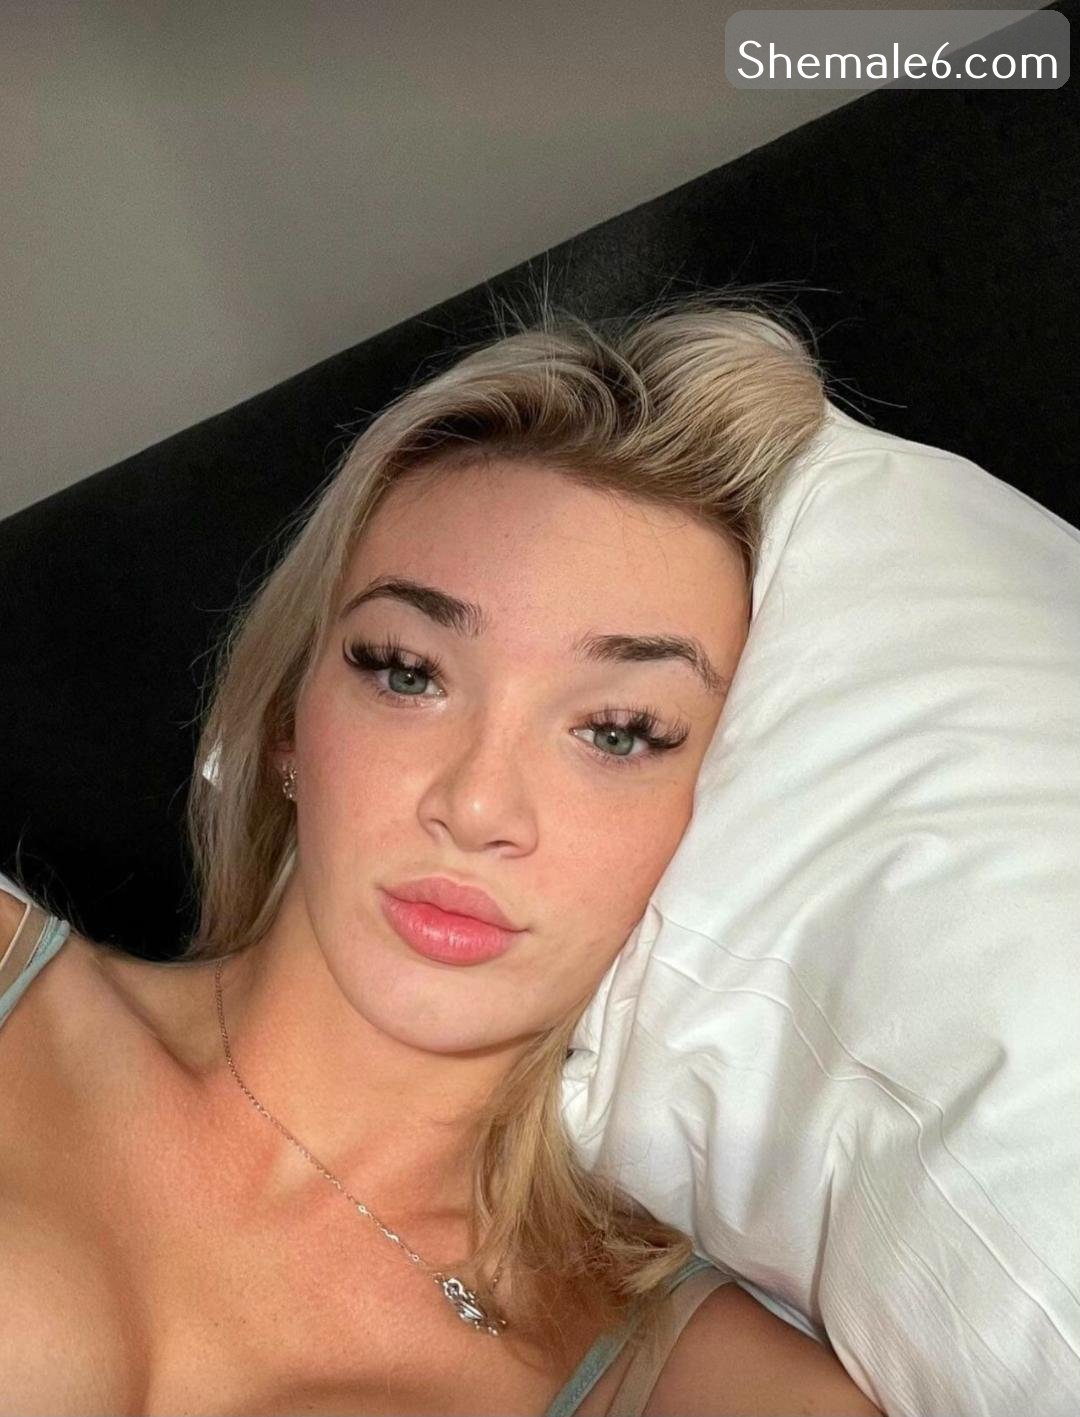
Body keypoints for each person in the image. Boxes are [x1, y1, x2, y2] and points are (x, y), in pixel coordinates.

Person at [0, 287, 883, 1415]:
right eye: (407, 672)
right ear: (289, 722)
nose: (474, 805)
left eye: (617, 732)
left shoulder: (695, 1382)